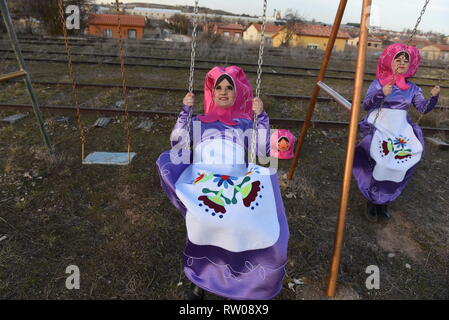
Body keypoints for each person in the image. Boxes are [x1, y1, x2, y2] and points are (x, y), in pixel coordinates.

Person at [156, 66, 289, 300]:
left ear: (237, 94)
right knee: (203, 219)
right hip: (203, 176)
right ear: (212, 92)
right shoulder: (199, 121)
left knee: (239, 219)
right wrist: (185, 111)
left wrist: (262, 117)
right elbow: (178, 144)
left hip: (235, 178)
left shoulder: (244, 123)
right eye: (219, 87)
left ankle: (237, 280)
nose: (224, 92)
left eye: (230, 88)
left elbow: (260, 150)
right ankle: (201, 280)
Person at [353, 43, 440, 222]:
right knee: (382, 159)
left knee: (402, 159)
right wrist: (381, 93)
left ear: (410, 65)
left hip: (400, 127)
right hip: (380, 124)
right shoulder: (379, 83)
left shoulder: (413, 88)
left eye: (405, 61)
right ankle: (371, 198)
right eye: (397, 59)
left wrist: (433, 97)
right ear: (390, 62)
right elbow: (366, 105)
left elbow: (422, 109)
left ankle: (384, 200)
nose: (401, 63)